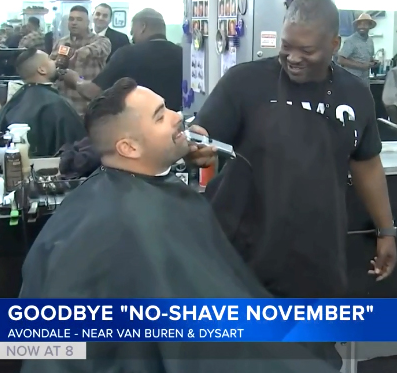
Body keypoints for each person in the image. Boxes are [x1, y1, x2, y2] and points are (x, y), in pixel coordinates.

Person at [19, 78, 340, 373]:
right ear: (129, 148)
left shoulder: (134, 192)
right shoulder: (124, 223)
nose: (177, 117)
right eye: (160, 116)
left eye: (168, 107)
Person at [185, 0, 397, 369]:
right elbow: (203, 137)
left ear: (334, 44)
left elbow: (366, 163)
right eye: (286, 46)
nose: (293, 57)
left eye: (307, 50)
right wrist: (196, 148)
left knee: (310, 358)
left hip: (316, 254)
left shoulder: (355, 94)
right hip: (244, 248)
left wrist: (386, 230)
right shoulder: (245, 82)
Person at [61, 8, 183, 112]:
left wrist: (75, 80)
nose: (132, 36)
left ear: (143, 27)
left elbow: (94, 92)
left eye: (133, 31)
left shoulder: (127, 54)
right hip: (173, 123)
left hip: (136, 125)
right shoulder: (182, 54)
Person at [0, 48, 86, 157]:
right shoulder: (55, 104)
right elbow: (81, 145)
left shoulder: (14, 101)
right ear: (42, 70)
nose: (55, 62)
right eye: (50, 59)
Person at [50, 5, 111, 115]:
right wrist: (55, 65)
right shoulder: (61, 42)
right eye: (71, 19)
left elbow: (100, 48)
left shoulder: (101, 40)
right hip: (64, 104)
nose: (74, 23)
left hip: (88, 106)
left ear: (88, 22)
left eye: (79, 19)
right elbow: (50, 67)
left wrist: (83, 52)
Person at [337, 12, 378, 83]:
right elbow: (340, 60)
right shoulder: (350, 41)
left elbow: (369, 57)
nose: (362, 26)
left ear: (369, 26)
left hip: (365, 81)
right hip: (351, 81)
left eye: (365, 24)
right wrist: (361, 66)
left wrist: (373, 62)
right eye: (360, 24)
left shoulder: (370, 41)